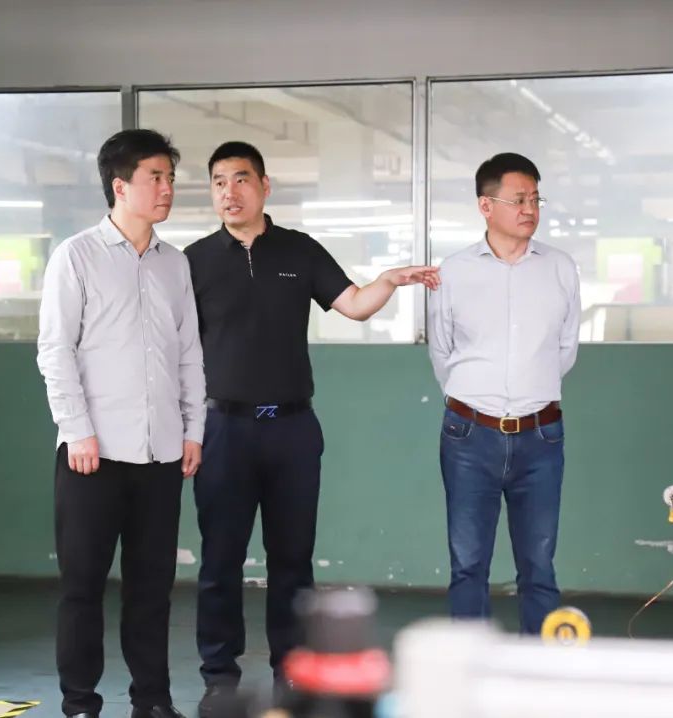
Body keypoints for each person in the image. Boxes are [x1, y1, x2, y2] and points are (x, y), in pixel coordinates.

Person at [183, 141, 439, 715]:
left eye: (241, 179)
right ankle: (219, 675)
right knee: (220, 561)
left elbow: (354, 305)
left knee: (293, 562)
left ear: (264, 186)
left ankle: (292, 673)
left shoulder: (299, 250)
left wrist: (389, 280)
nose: (229, 192)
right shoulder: (193, 261)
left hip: (293, 430)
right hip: (224, 428)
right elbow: (175, 348)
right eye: (219, 182)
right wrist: (185, 428)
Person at [37, 128, 205, 718]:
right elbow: (55, 349)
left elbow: (189, 353)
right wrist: (76, 429)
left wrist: (193, 429)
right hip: (94, 454)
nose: (167, 189)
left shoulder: (174, 264)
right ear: (120, 186)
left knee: (152, 589)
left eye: (170, 178)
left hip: (161, 454)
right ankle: (80, 702)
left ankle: (152, 701)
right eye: (155, 177)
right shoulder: (76, 256)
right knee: (82, 587)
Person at [427, 151, 580, 635]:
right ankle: (470, 667)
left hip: (541, 435)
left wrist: (530, 391)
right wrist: (480, 398)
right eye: (519, 199)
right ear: (486, 206)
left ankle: (539, 670)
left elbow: (565, 349)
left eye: (535, 199)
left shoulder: (560, 268)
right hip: (470, 435)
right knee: (468, 563)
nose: (530, 209)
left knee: (539, 564)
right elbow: (442, 351)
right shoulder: (453, 272)